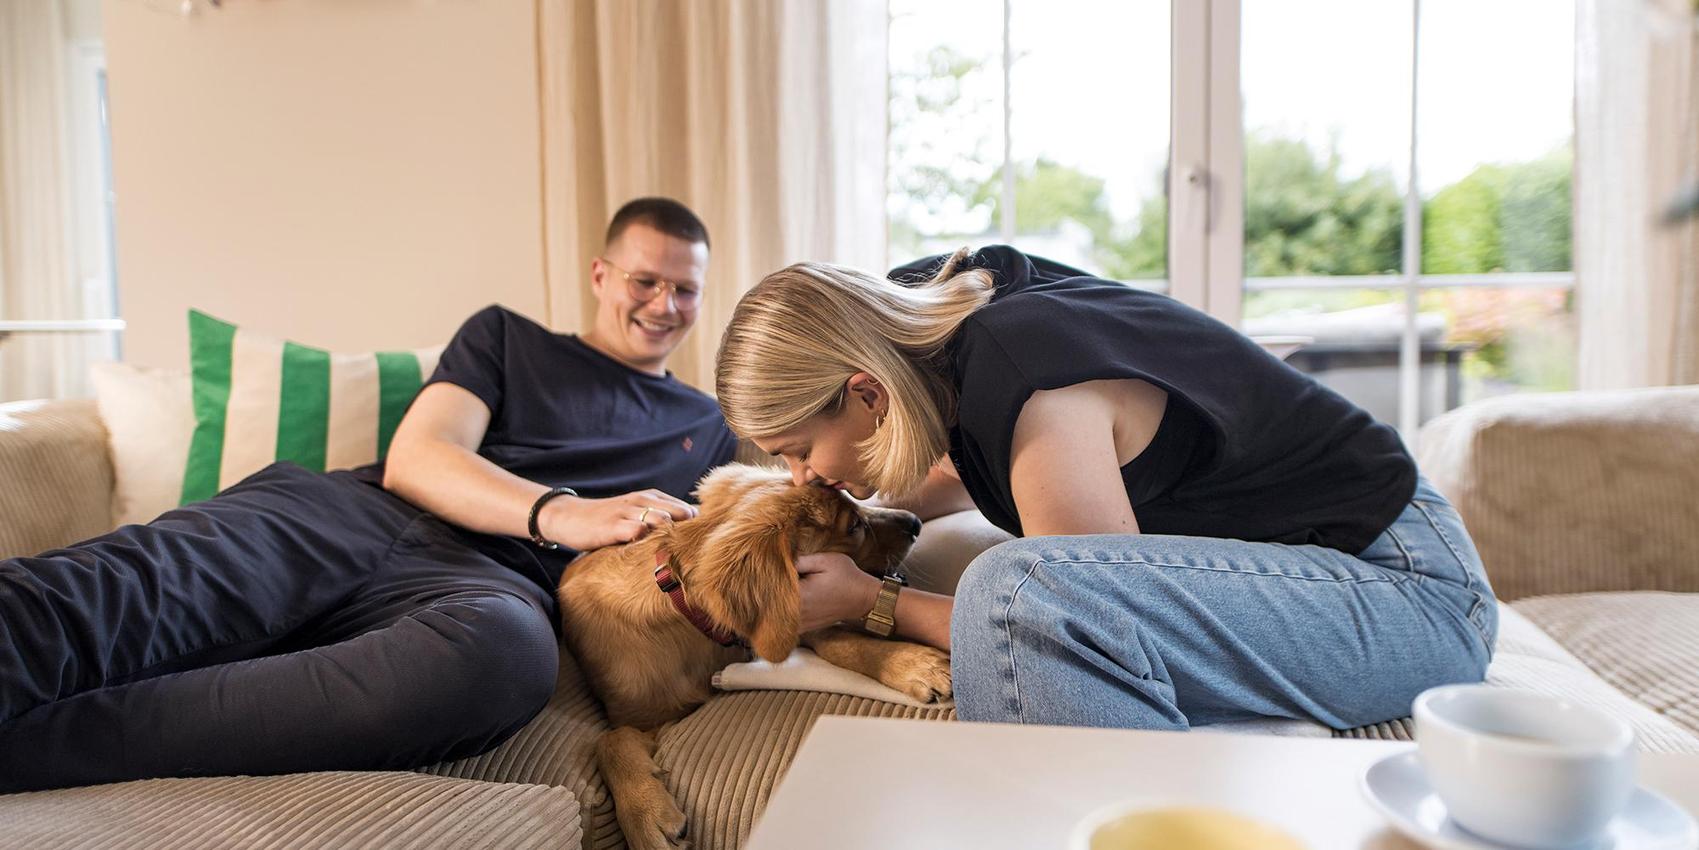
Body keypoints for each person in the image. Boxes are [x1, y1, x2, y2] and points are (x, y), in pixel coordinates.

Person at [0, 197, 736, 791]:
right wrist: (563, 513)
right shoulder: (507, 338)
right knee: (93, 596)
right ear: (602, 275)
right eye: (646, 281)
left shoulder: (707, 425)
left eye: (686, 290)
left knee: (507, 659)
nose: (663, 305)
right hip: (349, 515)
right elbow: (419, 457)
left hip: (490, 586)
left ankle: (36, 751)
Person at [713, 244, 1497, 729]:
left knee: (1013, 587)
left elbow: (1070, 614)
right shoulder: (933, 323)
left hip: (1409, 594)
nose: (803, 475)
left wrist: (869, 601)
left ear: (866, 393)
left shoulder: (1032, 385)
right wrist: (750, 517)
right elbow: (962, 471)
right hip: (1318, 569)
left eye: (798, 452)